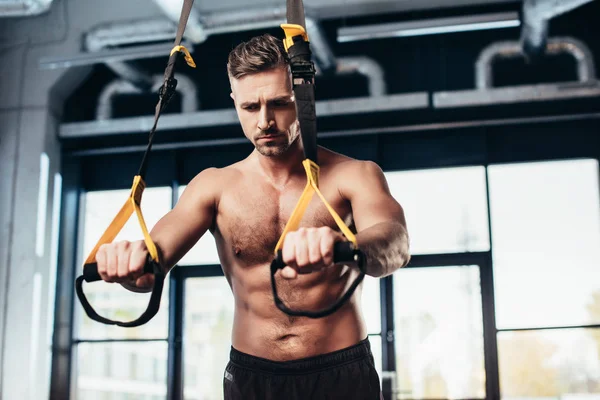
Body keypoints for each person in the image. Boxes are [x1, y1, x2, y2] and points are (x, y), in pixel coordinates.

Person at [95, 33, 410, 399]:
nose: (265, 122)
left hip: (341, 371)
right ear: (235, 103)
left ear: (305, 98)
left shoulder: (354, 175)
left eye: (279, 103)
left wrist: (346, 245)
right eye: (250, 107)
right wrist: (126, 265)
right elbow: (150, 269)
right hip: (252, 376)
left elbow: (395, 245)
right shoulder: (214, 187)